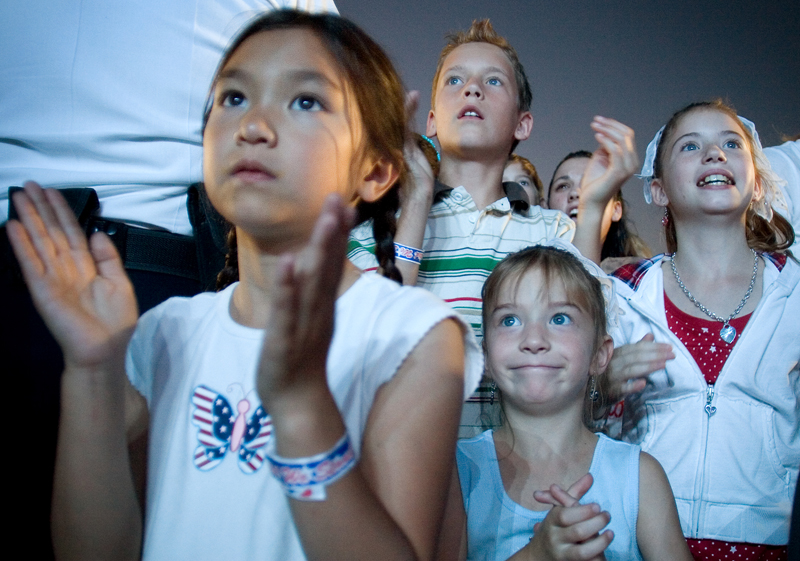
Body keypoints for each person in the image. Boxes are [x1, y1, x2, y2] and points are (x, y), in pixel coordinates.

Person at [7, 11, 482, 560]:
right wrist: (90, 372)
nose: (252, 125)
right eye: (232, 98)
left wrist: (302, 408)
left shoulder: (412, 335)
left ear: (375, 170)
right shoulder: (165, 332)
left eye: (305, 101)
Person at [348, 19, 625, 342]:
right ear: (432, 121)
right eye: (454, 79)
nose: (472, 88)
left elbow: (581, 342)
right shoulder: (375, 233)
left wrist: (593, 208)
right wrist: (417, 202)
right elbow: (363, 344)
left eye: (493, 81)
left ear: (522, 124)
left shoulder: (555, 232)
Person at [607, 101, 797, 559]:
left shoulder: (793, 292)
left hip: (768, 543)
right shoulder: (624, 293)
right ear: (657, 190)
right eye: (690, 146)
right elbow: (575, 413)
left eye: (732, 144)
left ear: (756, 183)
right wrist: (602, 387)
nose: (715, 153)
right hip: (639, 540)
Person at [437, 244, 691, 561]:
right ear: (485, 355)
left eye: (559, 318)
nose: (533, 341)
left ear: (600, 354)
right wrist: (536, 556)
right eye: (510, 320)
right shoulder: (455, 473)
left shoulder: (641, 477)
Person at [547, 147, 651, 274]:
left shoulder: (642, 279)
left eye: (589, 184)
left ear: (616, 210)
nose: (574, 193)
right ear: (546, 206)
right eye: (563, 186)